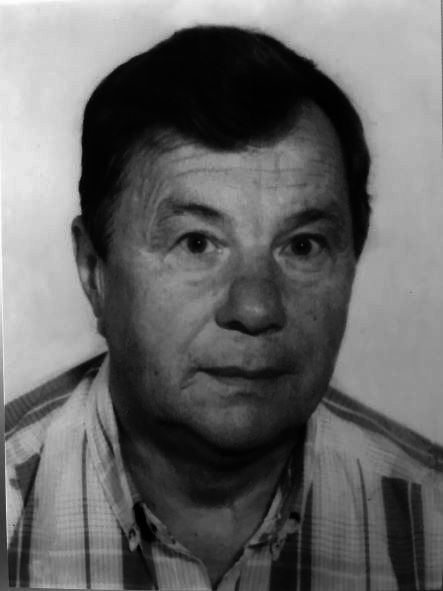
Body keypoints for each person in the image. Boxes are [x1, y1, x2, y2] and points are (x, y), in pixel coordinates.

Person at [5, 25, 443, 590]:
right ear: (95, 272)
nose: (255, 308)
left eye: (302, 246)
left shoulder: (430, 523)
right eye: (196, 244)